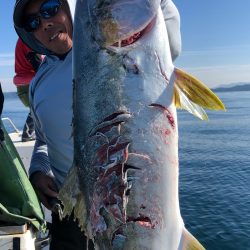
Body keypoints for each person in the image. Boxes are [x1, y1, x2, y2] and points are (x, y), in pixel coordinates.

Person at [13, 0, 181, 249]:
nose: (45, 22)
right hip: (69, 212)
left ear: (68, 8)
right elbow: (42, 138)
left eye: (50, 8)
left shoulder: (113, 50)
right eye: (33, 22)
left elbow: (171, 43)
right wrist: (38, 169)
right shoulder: (38, 83)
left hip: (124, 206)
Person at [13, 38, 43, 142]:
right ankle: (28, 133)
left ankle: (30, 133)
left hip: (23, 84)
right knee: (39, 106)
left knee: (37, 107)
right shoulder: (29, 40)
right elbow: (37, 62)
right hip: (29, 82)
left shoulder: (23, 39)